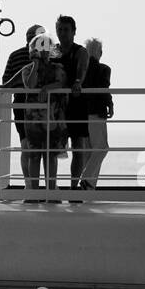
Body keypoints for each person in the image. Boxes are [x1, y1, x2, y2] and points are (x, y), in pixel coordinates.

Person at [21, 33, 70, 192]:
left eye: (45, 48)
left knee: (50, 156)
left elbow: (61, 82)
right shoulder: (27, 70)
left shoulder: (58, 68)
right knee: (34, 154)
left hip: (52, 117)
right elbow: (30, 85)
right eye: (39, 48)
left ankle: (50, 192)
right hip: (33, 118)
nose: (43, 52)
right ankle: (34, 193)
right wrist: (35, 65)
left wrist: (47, 88)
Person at [1, 23, 45, 189]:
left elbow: (6, 81)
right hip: (24, 106)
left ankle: (32, 186)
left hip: (36, 106)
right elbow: (6, 81)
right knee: (29, 147)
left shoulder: (48, 56)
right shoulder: (17, 56)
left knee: (32, 148)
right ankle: (31, 186)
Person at [54, 15, 91, 188]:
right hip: (57, 106)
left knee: (77, 147)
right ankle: (50, 187)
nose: (62, 33)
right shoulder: (53, 51)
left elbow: (81, 70)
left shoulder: (80, 51)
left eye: (66, 30)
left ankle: (73, 187)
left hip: (76, 105)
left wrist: (78, 82)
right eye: (60, 29)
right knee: (52, 147)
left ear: (74, 32)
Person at [78, 37, 114, 190]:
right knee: (101, 148)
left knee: (90, 151)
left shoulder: (81, 69)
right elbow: (104, 89)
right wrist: (110, 104)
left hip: (81, 112)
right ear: (99, 52)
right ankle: (86, 179)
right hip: (96, 112)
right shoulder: (104, 69)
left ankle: (89, 186)